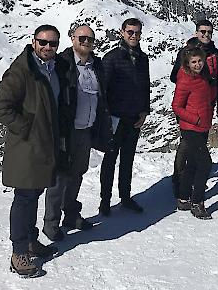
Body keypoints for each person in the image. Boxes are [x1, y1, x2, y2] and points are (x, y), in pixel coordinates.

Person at [0, 25, 68, 278]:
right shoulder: (22, 70)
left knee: (34, 194)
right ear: (33, 42)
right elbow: (0, 108)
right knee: (24, 199)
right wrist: (28, 128)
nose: (48, 47)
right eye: (43, 42)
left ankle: (30, 241)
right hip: (27, 148)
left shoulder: (55, 69)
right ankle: (18, 253)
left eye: (52, 44)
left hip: (46, 147)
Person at [43, 25, 110, 241]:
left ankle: (71, 215)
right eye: (82, 38)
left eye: (91, 39)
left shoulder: (96, 66)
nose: (87, 42)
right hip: (66, 131)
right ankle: (51, 223)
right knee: (59, 177)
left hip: (86, 130)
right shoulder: (62, 64)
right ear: (73, 39)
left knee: (77, 173)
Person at [99, 18, 150, 215]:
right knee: (110, 160)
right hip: (115, 118)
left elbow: (145, 86)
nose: (133, 36)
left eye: (137, 32)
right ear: (122, 32)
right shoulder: (111, 58)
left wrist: (144, 111)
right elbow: (102, 89)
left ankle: (125, 197)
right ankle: (105, 201)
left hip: (134, 118)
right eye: (130, 32)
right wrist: (106, 117)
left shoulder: (143, 58)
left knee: (127, 160)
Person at [170, 20, 218, 198]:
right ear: (196, 32)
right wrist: (192, 87)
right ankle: (179, 181)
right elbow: (175, 77)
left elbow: (217, 78)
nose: (206, 35)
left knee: (194, 148)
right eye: (203, 31)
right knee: (186, 145)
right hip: (189, 109)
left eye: (209, 32)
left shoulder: (214, 52)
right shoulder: (187, 51)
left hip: (206, 107)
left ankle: (187, 183)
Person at [171, 47, 216, 219]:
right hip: (191, 128)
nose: (197, 64)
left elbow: (207, 97)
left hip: (202, 127)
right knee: (205, 163)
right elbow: (176, 106)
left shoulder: (203, 77)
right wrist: (195, 119)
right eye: (194, 62)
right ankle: (197, 202)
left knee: (192, 164)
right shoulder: (185, 80)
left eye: (199, 61)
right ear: (187, 63)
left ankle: (183, 198)